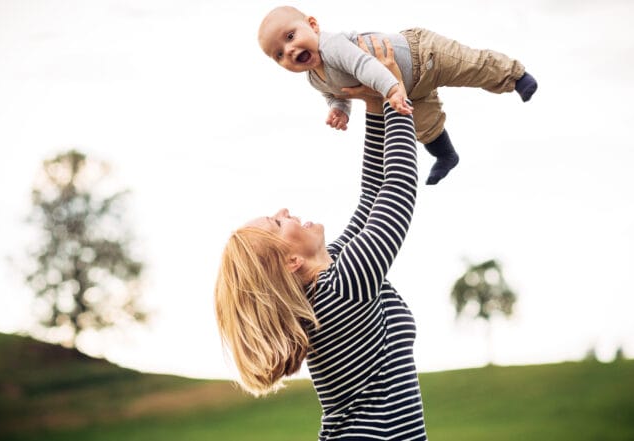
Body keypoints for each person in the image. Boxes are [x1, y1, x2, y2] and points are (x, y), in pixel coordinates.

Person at [215, 39, 428, 440]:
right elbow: (397, 192)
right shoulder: (342, 290)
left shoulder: (330, 285)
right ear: (292, 262)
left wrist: (375, 103)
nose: (283, 211)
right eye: (277, 224)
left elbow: (372, 197)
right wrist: (395, 92)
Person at [258, 5, 538, 185]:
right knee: (424, 126)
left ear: (313, 25)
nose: (290, 51)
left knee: (471, 66)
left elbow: (364, 65)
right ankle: (446, 156)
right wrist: (339, 109)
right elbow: (336, 93)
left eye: (291, 37)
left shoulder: (332, 46)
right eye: (279, 54)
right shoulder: (313, 78)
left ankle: (515, 77)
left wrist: (392, 89)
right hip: (408, 89)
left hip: (422, 54)